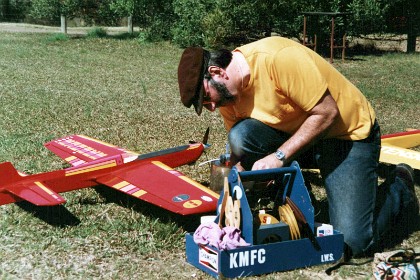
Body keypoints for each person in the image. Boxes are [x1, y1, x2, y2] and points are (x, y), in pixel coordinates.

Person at [177, 36, 418, 258]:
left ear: (217, 71)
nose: (210, 107)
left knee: (352, 242)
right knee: (241, 136)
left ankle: (400, 187)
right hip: (301, 138)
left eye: (206, 98)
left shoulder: (278, 58)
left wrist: (279, 156)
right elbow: (242, 146)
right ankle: (291, 200)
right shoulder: (228, 96)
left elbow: (327, 113)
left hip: (346, 136)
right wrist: (238, 176)